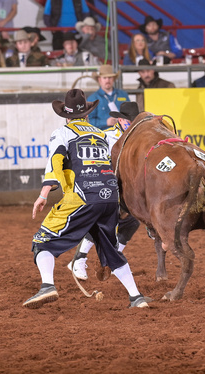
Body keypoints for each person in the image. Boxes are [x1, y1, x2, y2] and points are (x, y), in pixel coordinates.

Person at [24, 89, 150, 309]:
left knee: (42, 241)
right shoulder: (102, 135)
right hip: (110, 197)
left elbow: (55, 161)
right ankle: (136, 297)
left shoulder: (63, 133)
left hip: (83, 197)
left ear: (66, 116)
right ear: (87, 114)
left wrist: (46, 193)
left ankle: (47, 285)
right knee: (110, 249)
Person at [67, 101, 141, 280]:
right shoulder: (105, 136)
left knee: (132, 221)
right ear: (120, 120)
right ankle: (79, 258)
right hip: (102, 184)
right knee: (106, 218)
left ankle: (111, 257)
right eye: (129, 121)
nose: (131, 124)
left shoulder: (136, 139)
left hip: (121, 187)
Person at [87, 64, 131, 129]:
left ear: (113, 79)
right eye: (104, 78)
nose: (107, 80)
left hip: (123, 134)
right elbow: (88, 121)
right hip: (102, 135)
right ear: (99, 80)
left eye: (110, 77)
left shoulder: (123, 94)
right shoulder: (92, 99)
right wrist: (106, 122)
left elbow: (130, 114)